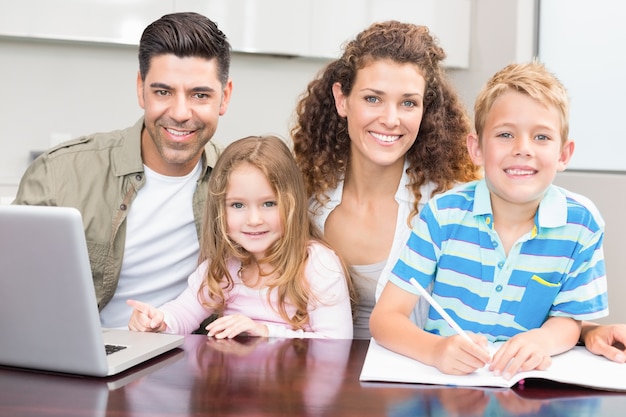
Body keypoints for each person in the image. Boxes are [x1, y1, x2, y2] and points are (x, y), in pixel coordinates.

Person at [370, 61, 609, 378]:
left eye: (541, 137)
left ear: (564, 154)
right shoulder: (443, 214)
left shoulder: (582, 224)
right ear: (477, 148)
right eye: (506, 134)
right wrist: (435, 350)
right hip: (442, 384)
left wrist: (541, 340)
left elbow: (569, 319)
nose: (523, 149)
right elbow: (385, 318)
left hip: (525, 389)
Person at [12, 12, 231, 329]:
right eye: (163, 92)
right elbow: (14, 291)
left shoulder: (244, 180)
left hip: (191, 362)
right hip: (84, 359)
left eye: (200, 94)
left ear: (224, 96)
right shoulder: (59, 174)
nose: (181, 113)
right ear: (141, 89)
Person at [291, 20, 480, 340]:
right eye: (373, 99)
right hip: (319, 373)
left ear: (425, 110)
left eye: (408, 102)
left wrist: (582, 328)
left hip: (416, 376)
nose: (390, 120)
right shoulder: (304, 196)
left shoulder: (452, 204)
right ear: (342, 100)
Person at [127, 135, 354, 338]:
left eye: (268, 204)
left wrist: (265, 332)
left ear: (292, 204)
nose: (254, 219)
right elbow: (183, 314)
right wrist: (158, 321)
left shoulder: (317, 263)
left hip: (293, 383)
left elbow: (337, 344)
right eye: (237, 205)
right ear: (220, 211)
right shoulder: (225, 267)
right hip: (237, 384)